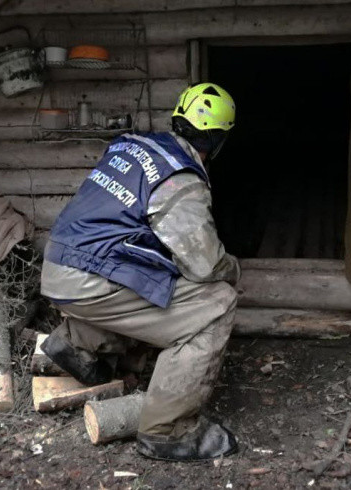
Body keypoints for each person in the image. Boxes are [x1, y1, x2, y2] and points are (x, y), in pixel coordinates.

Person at [40, 83, 241, 461]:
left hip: (58, 267)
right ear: (217, 140)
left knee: (153, 281)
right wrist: (234, 268)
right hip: (89, 279)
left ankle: (76, 344)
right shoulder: (179, 179)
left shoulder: (132, 146)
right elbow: (205, 264)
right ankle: (169, 431)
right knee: (217, 302)